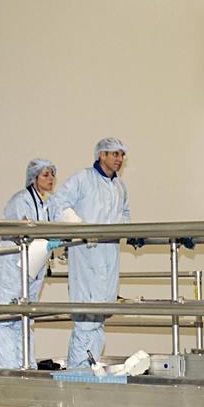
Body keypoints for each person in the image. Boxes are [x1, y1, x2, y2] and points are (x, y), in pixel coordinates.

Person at [51, 137, 131, 369]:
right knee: (87, 316)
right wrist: (81, 228)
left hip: (109, 254)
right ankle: (79, 370)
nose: (119, 159)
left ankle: (91, 368)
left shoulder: (119, 186)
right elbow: (59, 204)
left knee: (101, 313)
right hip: (86, 254)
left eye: (121, 155)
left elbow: (124, 214)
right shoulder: (82, 179)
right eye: (114, 154)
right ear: (101, 155)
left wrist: (133, 233)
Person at [0, 159, 62, 369]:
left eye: (52, 175)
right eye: (45, 175)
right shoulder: (21, 200)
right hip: (14, 264)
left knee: (26, 314)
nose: (50, 179)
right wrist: (47, 239)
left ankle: (25, 363)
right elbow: (25, 229)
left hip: (35, 264)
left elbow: (59, 223)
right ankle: (5, 365)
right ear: (34, 177)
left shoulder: (48, 202)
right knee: (6, 313)